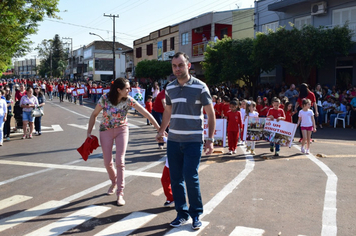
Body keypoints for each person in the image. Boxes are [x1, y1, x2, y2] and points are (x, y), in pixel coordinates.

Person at [155, 52, 216, 230]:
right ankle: (181, 214)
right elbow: (167, 112)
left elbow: (210, 114)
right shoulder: (170, 88)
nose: (177, 69)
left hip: (193, 140)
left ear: (188, 65)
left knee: (191, 177)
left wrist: (210, 139)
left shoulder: (201, 87)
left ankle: (196, 214)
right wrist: (161, 131)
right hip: (173, 140)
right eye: (174, 66)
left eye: (180, 65)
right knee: (176, 179)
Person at [87, 77, 160, 206]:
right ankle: (114, 181)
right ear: (118, 89)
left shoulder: (129, 100)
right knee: (107, 162)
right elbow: (94, 114)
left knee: (120, 161)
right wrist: (89, 133)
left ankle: (120, 193)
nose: (129, 90)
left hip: (122, 130)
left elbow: (147, 114)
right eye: (127, 88)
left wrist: (159, 129)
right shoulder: (105, 98)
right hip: (106, 130)